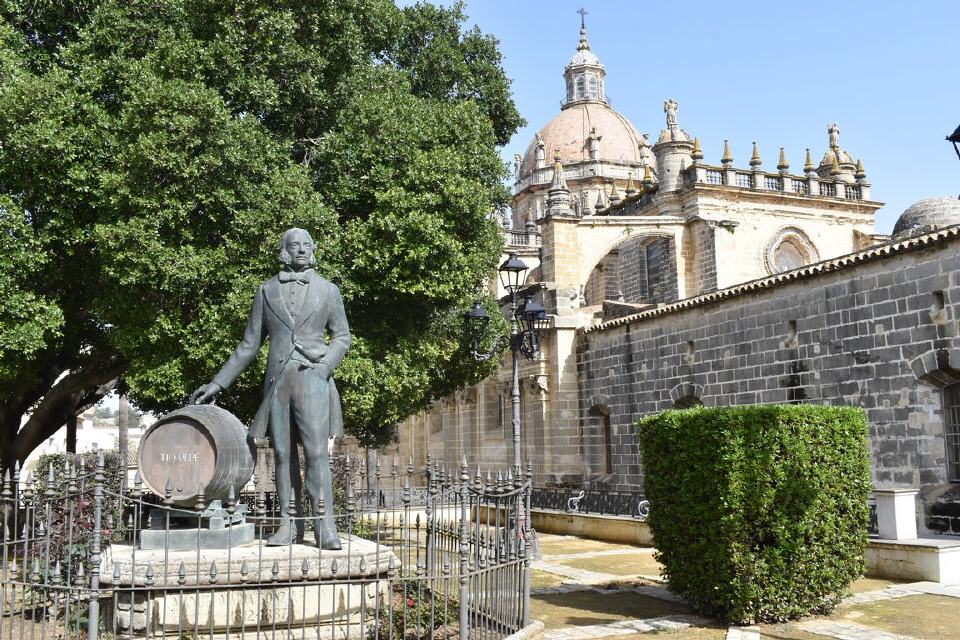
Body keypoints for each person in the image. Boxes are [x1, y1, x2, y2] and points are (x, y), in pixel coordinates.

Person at [190, 228, 350, 549]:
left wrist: (322, 368)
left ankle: (324, 527)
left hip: (313, 378)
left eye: (307, 245)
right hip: (277, 381)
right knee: (281, 455)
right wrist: (218, 382)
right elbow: (248, 346)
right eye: (295, 246)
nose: (302, 250)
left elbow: (342, 337)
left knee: (317, 455)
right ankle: (289, 525)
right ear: (284, 251)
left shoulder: (328, 290)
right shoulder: (265, 291)